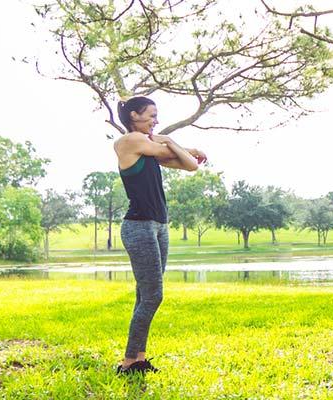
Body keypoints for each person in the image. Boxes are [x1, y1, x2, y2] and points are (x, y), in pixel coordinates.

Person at [110, 96, 206, 373]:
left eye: (156, 116)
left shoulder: (147, 150)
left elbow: (189, 165)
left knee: (145, 295)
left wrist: (173, 143)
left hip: (159, 225)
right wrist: (175, 143)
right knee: (153, 296)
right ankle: (128, 361)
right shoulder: (129, 142)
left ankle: (139, 358)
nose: (155, 120)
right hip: (139, 226)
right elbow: (187, 159)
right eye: (151, 115)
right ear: (134, 117)